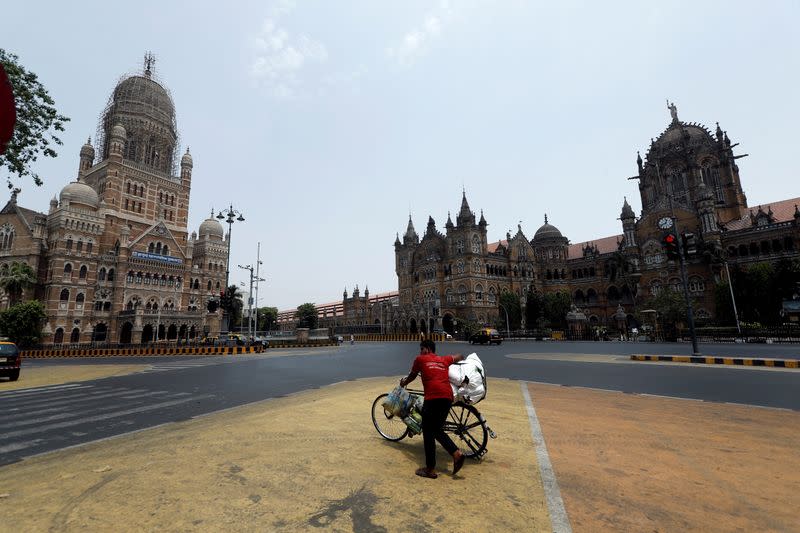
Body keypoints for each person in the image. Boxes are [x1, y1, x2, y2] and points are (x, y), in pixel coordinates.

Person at [399, 339, 465, 479]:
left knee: (428, 431)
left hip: (433, 398)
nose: (420, 352)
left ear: (427, 349)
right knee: (437, 429)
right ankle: (456, 454)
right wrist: (460, 359)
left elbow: (412, 375)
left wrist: (403, 382)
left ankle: (430, 469)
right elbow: (459, 356)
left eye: (421, 349)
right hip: (447, 398)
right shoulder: (443, 359)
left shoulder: (420, 359)